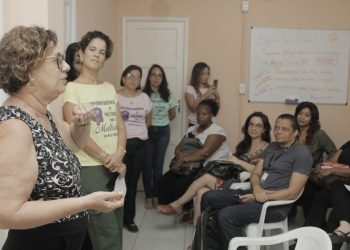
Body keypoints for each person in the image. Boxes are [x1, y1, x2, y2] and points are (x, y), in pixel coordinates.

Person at [0, 26, 124, 250]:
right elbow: (7, 213)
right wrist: (85, 203)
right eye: (57, 60)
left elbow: (76, 143)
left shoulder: (42, 113)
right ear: (29, 71)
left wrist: (83, 123)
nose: (66, 65)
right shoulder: (15, 126)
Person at [201, 114, 313, 250]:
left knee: (226, 215)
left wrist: (258, 196)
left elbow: (292, 193)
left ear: (295, 133)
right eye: (276, 128)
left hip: (274, 205)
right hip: (255, 192)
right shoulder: (272, 147)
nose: (278, 132)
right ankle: (212, 245)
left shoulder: (302, 153)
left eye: (284, 129)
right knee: (209, 197)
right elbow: (256, 173)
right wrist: (257, 188)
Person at [63, 31, 126, 250]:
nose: (97, 55)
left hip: (114, 166)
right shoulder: (72, 88)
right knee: (104, 231)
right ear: (80, 53)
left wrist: (119, 154)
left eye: (102, 52)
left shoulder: (109, 88)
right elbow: (76, 133)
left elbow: (120, 125)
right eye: (92, 49)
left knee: (116, 223)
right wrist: (105, 157)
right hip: (90, 167)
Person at [158, 112, 271, 223]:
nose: (254, 128)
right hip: (230, 182)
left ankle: (177, 205)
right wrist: (228, 161)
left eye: (258, 125)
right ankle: (198, 235)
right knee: (201, 192)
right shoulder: (244, 145)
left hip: (244, 186)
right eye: (251, 124)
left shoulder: (268, 148)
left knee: (206, 178)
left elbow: (263, 173)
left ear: (264, 129)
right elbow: (235, 167)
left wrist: (238, 162)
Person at [157, 99, 230, 217]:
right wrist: (179, 155)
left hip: (206, 167)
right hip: (187, 165)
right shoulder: (192, 129)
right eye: (198, 113)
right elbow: (179, 147)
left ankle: (184, 209)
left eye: (204, 114)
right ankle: (171, 206)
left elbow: (204, 153)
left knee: (181, 184)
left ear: (211, 115)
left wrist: (183, 159)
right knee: (164, 181)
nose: (200, 116)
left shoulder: (217, 131)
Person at [117, 65, 152, 233]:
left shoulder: (144, 97)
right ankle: (116, 217)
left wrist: (137, 130)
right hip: (122, 145)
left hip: (140, 145)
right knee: (119, 180)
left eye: (137, 77)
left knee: (132, 182)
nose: (133, 80)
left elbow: (148, 119)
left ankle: (128, 219)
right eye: (130, 76)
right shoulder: (114, 96)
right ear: (123, 77)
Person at [293, 101, 337, 218]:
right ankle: (288, 222)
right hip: (290, 173)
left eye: (307, 115)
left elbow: (334, 152)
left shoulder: (319, 134)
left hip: (310, 176)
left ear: (313, 118)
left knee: (308, 190)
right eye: (300, 113)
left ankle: (311, 226)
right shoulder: (290, 130)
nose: (302, 117)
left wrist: (322, 166)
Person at [142, 64, 177, 209]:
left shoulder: (168, 94)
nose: (156, 78)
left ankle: (156, 194)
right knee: (147, 165)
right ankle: (148, 195)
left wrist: (160, 121)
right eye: (153, 75)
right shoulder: (143, 94)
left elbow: (172, 114)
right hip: (147, 132)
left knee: (158, 165)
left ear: (163, 78)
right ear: (149, 77)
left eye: (159, 75)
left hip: (163, 132)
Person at [303, 141, 350, 246]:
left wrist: (332, 170)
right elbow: (333, 160)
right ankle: (307, 240)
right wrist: (323, 166)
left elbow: (334, 168)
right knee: (320, 197)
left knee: (336, 213)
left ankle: (333, 241)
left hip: (344, 185)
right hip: (343, 187)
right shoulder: (348, 143)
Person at [185, 62, 220, 127]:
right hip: (195, 124)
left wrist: (217, 97)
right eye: (203, 74)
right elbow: (193, 109)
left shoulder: (210, 88)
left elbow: (216, 111)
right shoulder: (190, 88)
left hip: (211, 124)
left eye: (208, 74)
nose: (206, 76)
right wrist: (205, 95)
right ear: (197, 74)